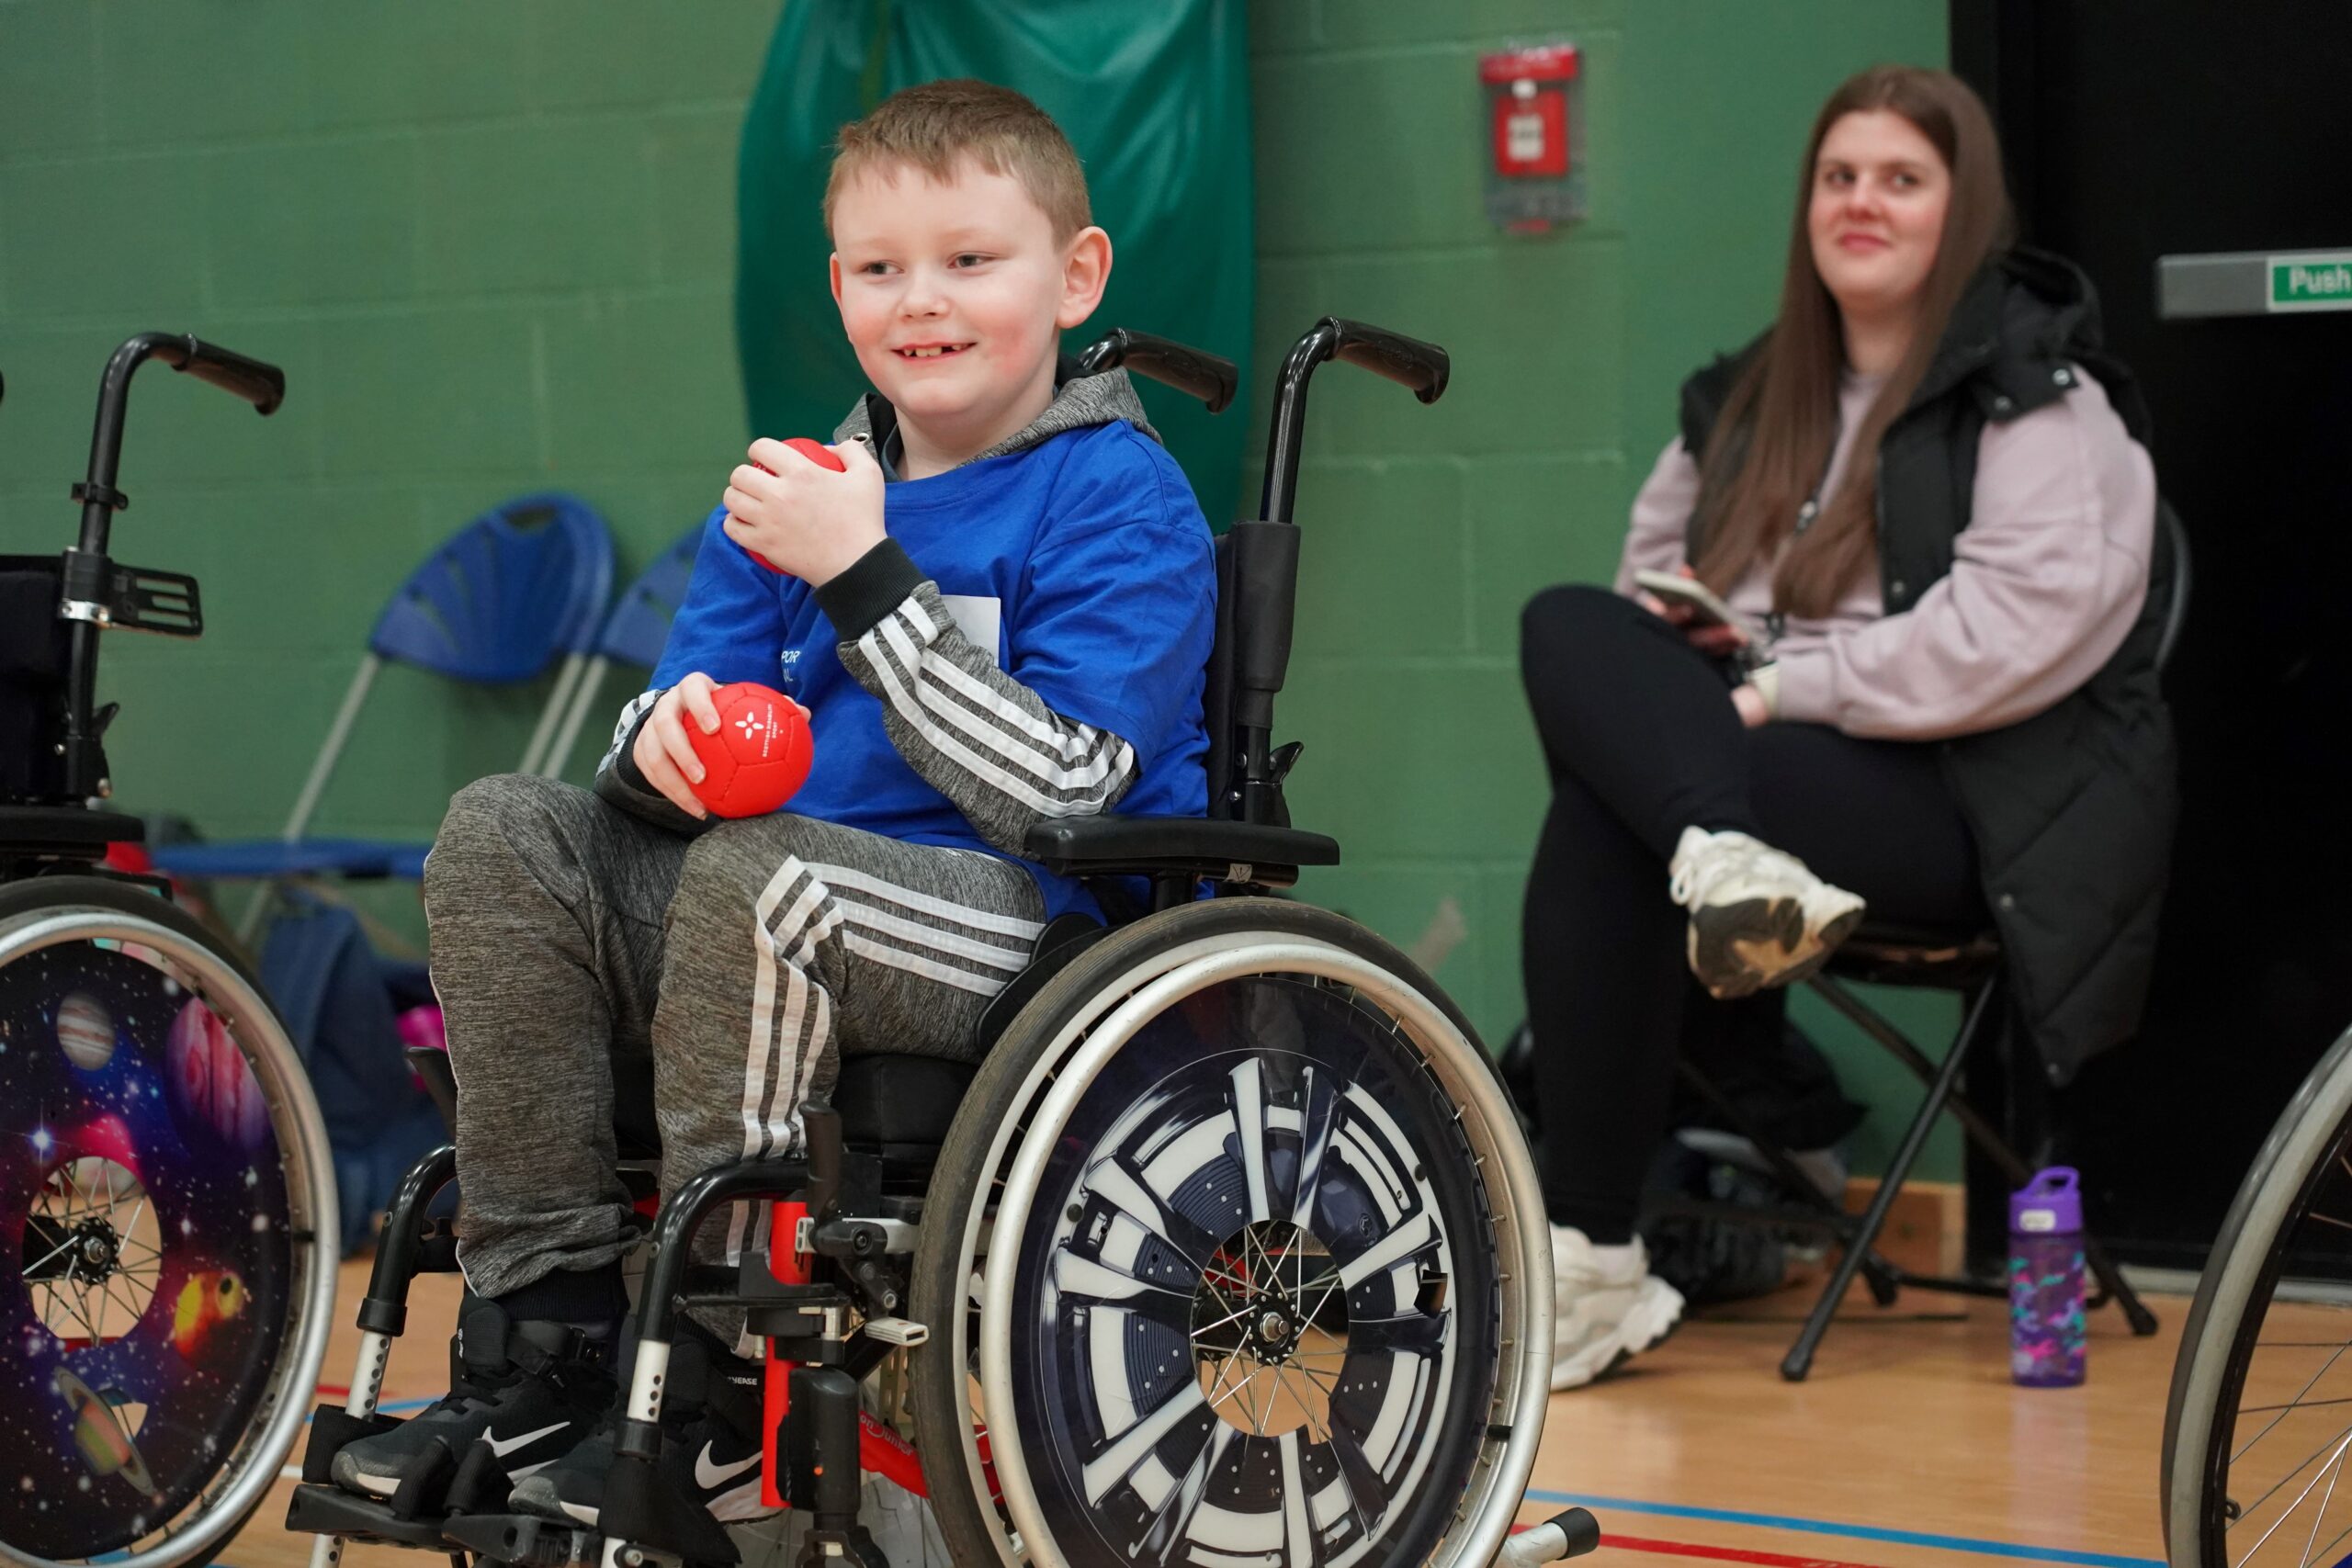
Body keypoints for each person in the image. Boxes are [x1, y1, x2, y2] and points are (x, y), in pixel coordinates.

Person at [328, 79, 1216, 1529]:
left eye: (968, 261)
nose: (920, 301)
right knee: (503, 827)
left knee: (772, 878)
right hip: (769, 891)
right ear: (839, 289)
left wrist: (866, 575)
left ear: (1075, 275)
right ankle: (549, 1332)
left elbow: (1063, 790)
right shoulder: (794, 492)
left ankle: (709, 1378)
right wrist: (654, 745)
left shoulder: (1118, 497)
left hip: (1028, 930)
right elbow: (672, 726)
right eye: (881, 269)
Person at [1518, 64, 2175, 1389]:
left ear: (1962, 210)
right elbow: (1648, 590)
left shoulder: (2041, 400)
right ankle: (1719, 864)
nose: (1860, 202)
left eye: (1900, 178)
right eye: (1839, 176)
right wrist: (1699, 645)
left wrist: (1773, 683)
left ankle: (1593, 1247)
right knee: (1565, 626)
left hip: (1969, 804)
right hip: (1763, 777)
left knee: (1622, 794)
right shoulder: (1746, 400)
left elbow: (2007, 640)